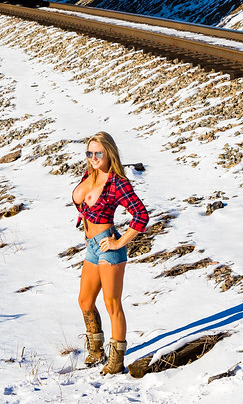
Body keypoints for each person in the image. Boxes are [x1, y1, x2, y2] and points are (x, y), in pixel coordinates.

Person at [72, 131, 148, 375]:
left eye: (99, 153)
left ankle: (116, 361)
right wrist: (83, 217)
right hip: (91, 246)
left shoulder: (117, 182)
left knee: (112, 303)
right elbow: (85, 203)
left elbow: (141, 215)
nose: (94, 157)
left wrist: (118, 242)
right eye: (90, 153)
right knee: (85, 300)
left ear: (109, 153)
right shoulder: (89, 174)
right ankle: (96, 351)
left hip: (108, 246)